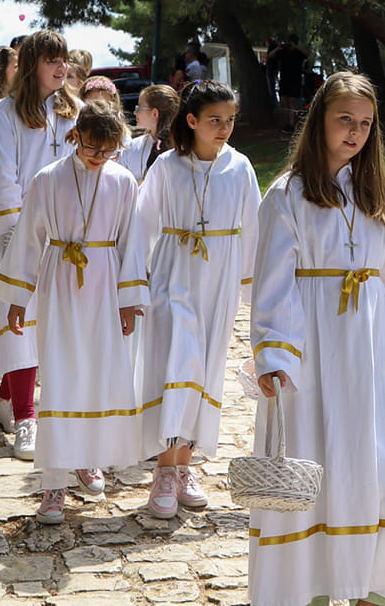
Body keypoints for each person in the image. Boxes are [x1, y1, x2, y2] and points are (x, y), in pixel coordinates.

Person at [248, 70, 385, 606]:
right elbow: (272, 283)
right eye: (344, 120)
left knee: (372, 456)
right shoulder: (288, 194)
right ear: (320, 121)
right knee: (313, 455)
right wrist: (274, 353)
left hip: (369, 348)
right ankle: (311, 583)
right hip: (310, 345)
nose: (354, 132)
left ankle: (369, 578)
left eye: (365, 124)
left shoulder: (377, 194)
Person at [0, 104, 148, 525]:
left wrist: (130, 299)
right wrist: (17, 298)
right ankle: (54, 483)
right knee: (60, 378)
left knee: (98, 376)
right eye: (93, 148)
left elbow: (132, 241)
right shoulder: (48, 179)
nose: (99, 158)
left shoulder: (123, 180)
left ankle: (87, 458)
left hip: (104, 283)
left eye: (108, 151)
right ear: (76, 135)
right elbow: (28, 239)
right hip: (60, 282)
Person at [133, 80, 261, 518]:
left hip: (218, 278)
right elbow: (142, 224)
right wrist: (135, 282)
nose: (224, 128)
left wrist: (250, 289)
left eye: (229, 120)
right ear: (191, 121)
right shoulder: (166, 167)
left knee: (205, 368)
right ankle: (164, 471)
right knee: (177, 361)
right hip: (174, 273)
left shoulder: (240, 167)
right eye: (214, 120)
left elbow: (253, 228)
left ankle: (183, 466)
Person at [0, 30, 80, 460]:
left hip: (67, 239)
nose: (62, 68)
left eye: (65, 61)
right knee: (21, 327)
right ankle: (25, 417)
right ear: (33, 62)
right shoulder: (4, 115)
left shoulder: (74, 111)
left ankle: (7, 395)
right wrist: (26, 234)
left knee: (48, 329)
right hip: (20, 235)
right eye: (53, 60)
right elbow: (1, 178)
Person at [123, 83, 180, 182]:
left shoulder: (181, 147)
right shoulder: (132, 146)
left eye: (139, 107)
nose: (135, 112)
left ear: (155, 113)